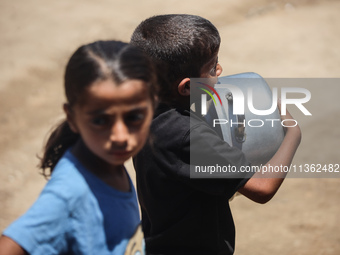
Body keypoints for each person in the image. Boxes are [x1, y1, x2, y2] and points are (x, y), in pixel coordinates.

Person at [131, 14, 301, 255]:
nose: (219, 69)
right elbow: (262, 188)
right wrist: (293, 133)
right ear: (187, 87)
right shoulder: (189, 136)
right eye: (212, 68)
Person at [0, 40, 158, 255]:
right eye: (101, 121)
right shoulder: (69, 194)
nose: (120, 136)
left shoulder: (108, 161)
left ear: (153, 107)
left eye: (134, 117)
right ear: (72, 118)